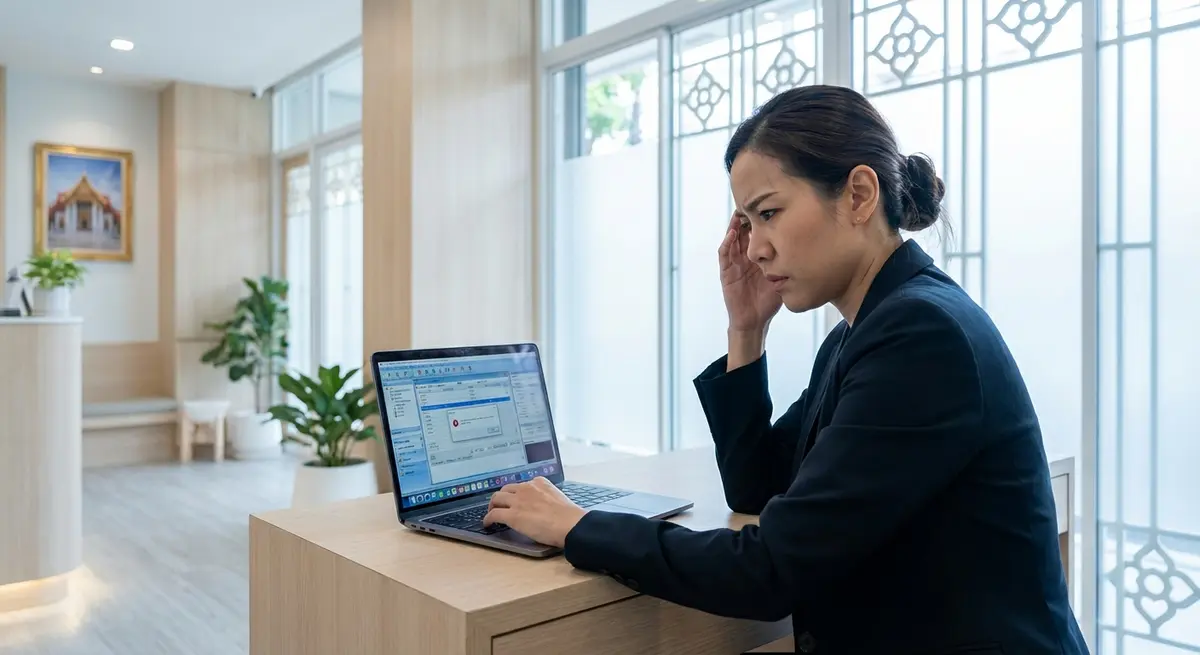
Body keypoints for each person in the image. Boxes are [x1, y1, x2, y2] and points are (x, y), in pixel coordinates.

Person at [483, 85, 1088, 654]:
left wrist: (580, 524)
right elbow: (760, 486)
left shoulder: (921, 336)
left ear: (857, 195)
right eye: (746, 223)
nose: (753, 248)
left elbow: (769, 571)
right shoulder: (866, 329)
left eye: (768, 213)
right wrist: (747, 329)